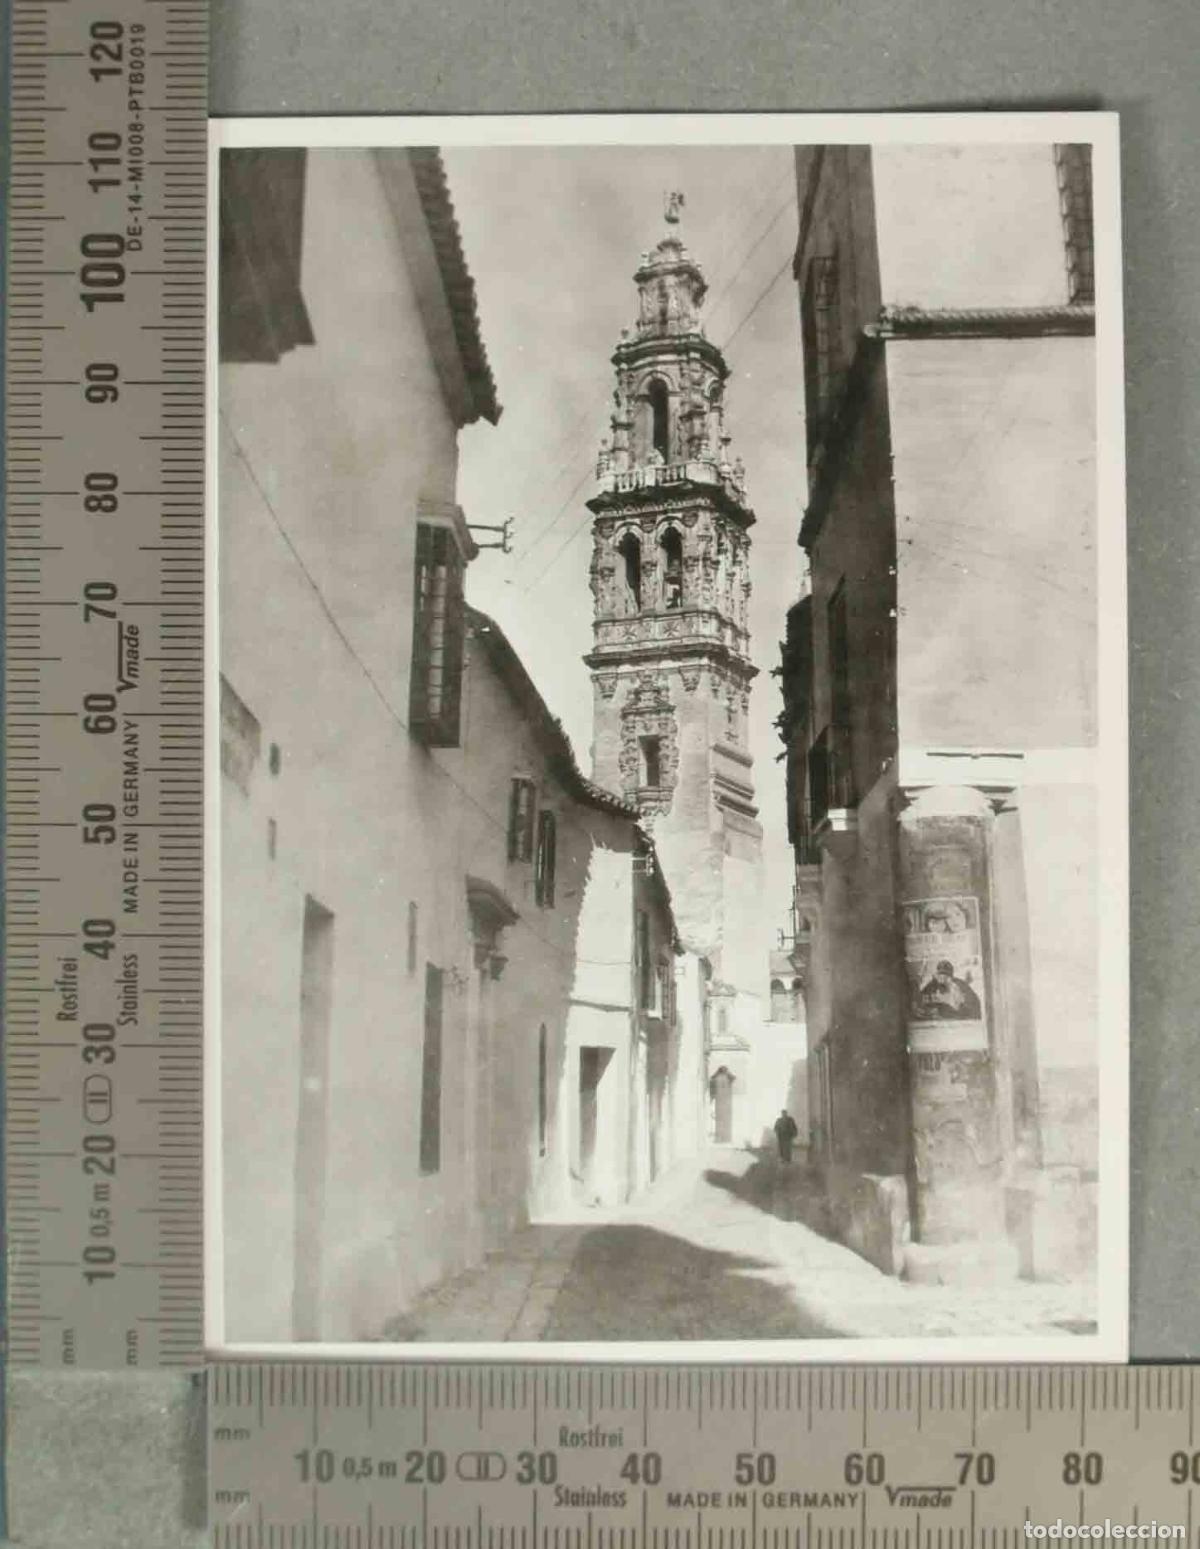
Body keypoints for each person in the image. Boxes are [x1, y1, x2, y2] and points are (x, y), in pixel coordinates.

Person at [916, 959, 982, 1021]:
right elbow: (920, 1001)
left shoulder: (960, 986)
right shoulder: (933, 984)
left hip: (965, 1019)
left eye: (946, 975)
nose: (943, 978)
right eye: (940, 974)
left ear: (951, 976)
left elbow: (970, 1008)